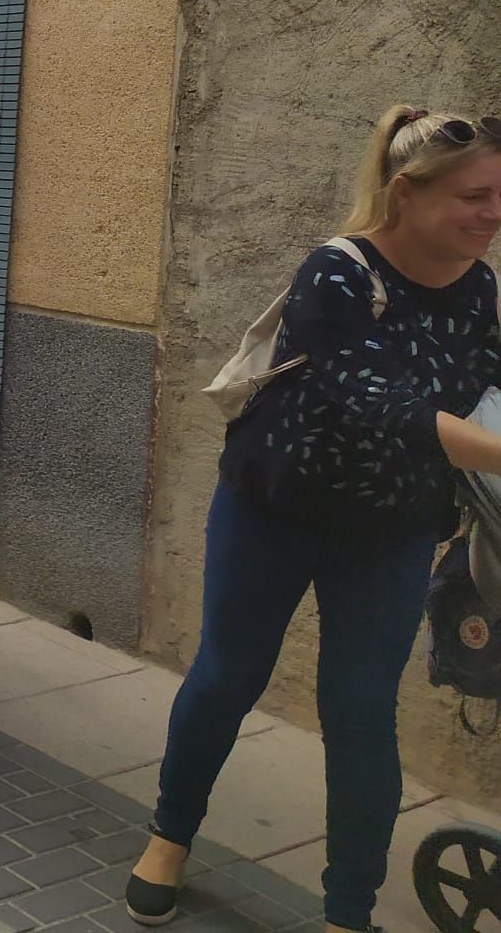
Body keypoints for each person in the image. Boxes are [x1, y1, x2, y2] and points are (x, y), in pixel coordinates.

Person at [124, 107, 501, 933]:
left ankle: (347, 912)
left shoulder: (479, 286)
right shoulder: (336, 270)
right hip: (274, 509)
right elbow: (374, 400)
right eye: (475, 196)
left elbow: (481, 391)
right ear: (408, 193)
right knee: (227, 677)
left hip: (392, 530)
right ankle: (169, 836)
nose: (492, 214)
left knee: (361, 714)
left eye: (499, 196)